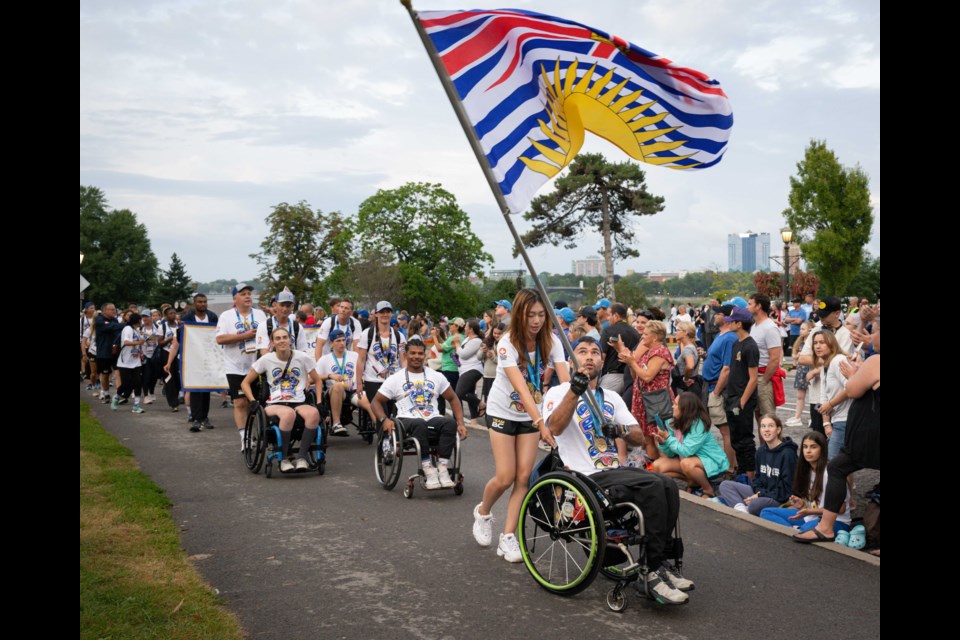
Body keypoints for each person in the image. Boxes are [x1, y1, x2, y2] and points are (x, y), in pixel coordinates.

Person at [542, 337, 692, 605]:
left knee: (667, 485)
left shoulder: (611, 397)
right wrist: (574, 391)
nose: (589, 357)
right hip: (584, 476)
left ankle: (658, 564)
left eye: (595, 353)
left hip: (615, 470)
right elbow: (553, 429)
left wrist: (619, 430)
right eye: (582, 352)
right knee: (653, 487)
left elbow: (637, 436)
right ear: (570, 361)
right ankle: (651, 574)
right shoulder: (557, 393)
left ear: (603, 361)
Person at [473, 288, 570, 563]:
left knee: (523, 478)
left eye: (541, 314)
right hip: (504, 411)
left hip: (531, 415)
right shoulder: (507, 343)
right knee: (505, 476)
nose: (536, 321)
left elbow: (565, 384)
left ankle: (507, 537)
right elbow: (521, 388)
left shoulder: (552, 341)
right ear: (519, 315)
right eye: (531, 315)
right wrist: (541, 423)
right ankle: (483, 512)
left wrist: (568, 411)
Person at [794, 315, 879, 543]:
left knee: (837, 467)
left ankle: (828, 525)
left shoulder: (875, 361)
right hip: (859, 428)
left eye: (875, 332)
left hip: (868, 432)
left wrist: (855, 374)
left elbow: (852, 389)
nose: (871, 337)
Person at [372, 338, 468, 489]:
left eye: (420, 353)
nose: (416, 356)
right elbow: (376, 402)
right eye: (413, 353)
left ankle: (442, 468)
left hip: (432, 417)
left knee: (449, 422)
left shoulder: (436, 376)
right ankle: (428, 469)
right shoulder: (395, 379)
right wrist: (384, 419)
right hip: (407, 419)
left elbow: (453, 398)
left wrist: (461, 423)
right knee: (419, 424)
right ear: (406, 354)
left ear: (425, 355)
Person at [240, 327, 322, 472]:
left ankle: (301, 458)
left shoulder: (302, 357)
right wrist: (252, 401)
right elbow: (244, 383)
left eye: (285, 337)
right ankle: (283, 459)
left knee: (314, 413)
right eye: (278, 338)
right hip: (275, 402)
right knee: (288, 413)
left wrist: (320, 402)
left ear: (290, 339)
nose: (282, 341)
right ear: (272, 343)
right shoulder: (266, 359)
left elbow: (318, 380)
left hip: (298, 400)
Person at [760, 431, 851, 534]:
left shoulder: (828, 473)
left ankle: (798, 531)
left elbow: (840, 509)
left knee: (805, 529)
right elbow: (814, 503)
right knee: (766, 512)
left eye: (813, 447)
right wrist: (802, 504)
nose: (808, 451)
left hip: (836, 521)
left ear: (822, 449)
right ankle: (793, 531)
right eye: (805, 447)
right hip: (811, 517)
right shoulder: (806, 471)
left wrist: (810, 511)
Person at [216, 283, 268, 449]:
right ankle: (243, 438)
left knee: (258, 403)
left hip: (257, 366)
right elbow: (220, 339)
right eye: (243, 294)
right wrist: (245, 335)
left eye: (249, 294)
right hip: (235, 367)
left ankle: (257, 432)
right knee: (240, 403)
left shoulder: (260, 315)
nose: (247, 296)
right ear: (234, 298)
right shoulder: (226, 316)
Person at [651, 392, 729, 497]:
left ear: (685, 409)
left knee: (686, 463)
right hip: (688, 460)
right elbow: (670, 454)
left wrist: (668, 438)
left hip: (711, 461)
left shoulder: (698, 424)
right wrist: (663, 443)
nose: (672, 406)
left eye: (676, 404)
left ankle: (708, 490)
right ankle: (694, 482)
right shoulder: (672, 422)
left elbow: (686, 451)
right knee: (657, 466)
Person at [716, 414, 797, 515]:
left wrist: (760, 495)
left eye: (770, 426)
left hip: (778, 497)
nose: (766, 430)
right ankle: (742, 510)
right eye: (763, 426)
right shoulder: (761, 451)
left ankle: (740, 505)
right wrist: (758, 492)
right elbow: (757, 478)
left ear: (778, 430)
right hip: (761, 493)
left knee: (754, 505)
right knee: (725, 485)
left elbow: (786, 489)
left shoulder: (787, 453)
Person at [618, 320, 674, 464]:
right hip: (646, 399)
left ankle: (662, 466)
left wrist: (632, 362)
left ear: (655, 337)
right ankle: (653, 467)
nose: (642, 337)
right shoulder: (650, 351)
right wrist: (631, 362)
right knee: (647, 436)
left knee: (657, 435)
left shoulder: (659, 352)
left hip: (656, 401)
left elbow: (647, 376)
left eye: (646, 334)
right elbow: (636, 375)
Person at [796, 297, 852, 435]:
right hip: (817, 394)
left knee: (837, 439)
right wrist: (827, 359)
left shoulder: (845, 334)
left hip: (837, 398)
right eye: (820, 315)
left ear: (837, 313)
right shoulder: (816, 330)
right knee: (818, 436)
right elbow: (802, 358)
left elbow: (842, 361)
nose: (822, 319)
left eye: (825, 316)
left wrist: (816, 367)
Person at [317, 329, 377, 436]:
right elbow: (313, 378)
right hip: (335, 392)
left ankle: (379, 427)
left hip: (353, 391)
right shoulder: (324, 359)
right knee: (338, 386)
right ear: (331, 343)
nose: (341, 343)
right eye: (338, 341)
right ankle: (336, 423)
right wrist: (330, 376)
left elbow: (364, 371)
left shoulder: (354, 355)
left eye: (343, 340)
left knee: (368, 403)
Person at [722, 307, 759, 477]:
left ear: (739, 323)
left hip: (742, 399)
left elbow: (753, 378)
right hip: (732, 397)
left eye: (732, 321)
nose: (728, 323)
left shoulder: (750, 346)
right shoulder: (736, 343)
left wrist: (743, 401)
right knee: (736, 438)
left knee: (745, 439)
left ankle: (750, 474)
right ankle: (741, 471)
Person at [701, 304, 738, 476]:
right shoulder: (719, 335)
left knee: (725, 430)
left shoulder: (729, 337)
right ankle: (731, 464)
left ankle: (730, 467)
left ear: (725, 317)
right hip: (709, 384)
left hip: (717, 387)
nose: (714, 317)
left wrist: (716, 392)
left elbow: (727, 368)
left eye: (717, 314)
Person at [181, 293, 220, 429]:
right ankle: (196, 418)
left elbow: (218, 335)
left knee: (206, 389)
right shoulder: (187, 317)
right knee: (195, 388)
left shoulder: (213, 317)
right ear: (194, 303)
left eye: (205, 301)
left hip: (208, 357)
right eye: (200, 302)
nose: (203, 304)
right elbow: (180, 337)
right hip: (193, 358)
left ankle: (204, 416)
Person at [811, 330, 851, 460]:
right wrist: (826, 424)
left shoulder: (838, 360)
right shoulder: (825, 365)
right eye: (815, 343)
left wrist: (831, 404)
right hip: (836, 420)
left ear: (831, 343)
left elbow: (851, 387)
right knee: (842, 464)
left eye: (822, 342)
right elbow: (824, 397)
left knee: (833, 463)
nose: (817, 346)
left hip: (846, 419)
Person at [747, 293, 783, 423]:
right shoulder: (754, 326)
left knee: (768, 419)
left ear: (758, 306)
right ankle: (764, 444)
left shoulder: (769, 328)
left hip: (764, 377)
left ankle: (776, 444)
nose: (747, 307)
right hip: (755, 375)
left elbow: (774, 358)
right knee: (758, 416)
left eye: (750, 304)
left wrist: (764, 380)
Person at [598, 302, 641, 394]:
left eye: (609, 315)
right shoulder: (635, 333)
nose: (608, 318)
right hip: (630, 378)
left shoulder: (608, 331)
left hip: (611, 378)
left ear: (616, 315)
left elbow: (601, 356)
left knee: (603, 406)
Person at [112, 312, 147, 414]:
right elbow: (126, 342)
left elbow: (137, 344)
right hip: (125, 362)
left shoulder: (136, 330)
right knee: (126, 384)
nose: (142, 322)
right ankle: (117, 397)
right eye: (141, 320)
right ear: (138, 320)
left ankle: (136, 405)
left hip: (136, 361)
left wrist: (140, 350)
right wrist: (139, 342)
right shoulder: (127, 329)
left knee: (137, 383)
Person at [256, 287, 307, 355]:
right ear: (275, 305)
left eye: (288, 306)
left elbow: (302, 352)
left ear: (292, 307)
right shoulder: (264, 326)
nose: (285, 309)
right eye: (282, 305)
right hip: (272, 364)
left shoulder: (297, 327)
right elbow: (264, 353)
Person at [785, 320, 815, 428]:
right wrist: (796, 357)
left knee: (813, 396)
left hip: (810, 370)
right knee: (800, 396)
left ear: (810, 330)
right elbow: (794, 356)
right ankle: (797, 417)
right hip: (801, 370)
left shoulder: (813, 342)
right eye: (800, 329)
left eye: (803, 329)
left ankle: (813, 418)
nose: (800, 331)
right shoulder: (800, 341)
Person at [454, 318, 485, 422]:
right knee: (469, 392)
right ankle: (474, 419)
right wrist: (456, 360)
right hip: (464, 370)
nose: (465, 328)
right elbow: (458, 356)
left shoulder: (477, 341)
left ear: (471, 329)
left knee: (459, 393)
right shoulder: (467, 339)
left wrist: (457, 344)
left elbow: (464, 354)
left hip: (473, 369)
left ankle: (481, 404)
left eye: (466, 326)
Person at [432, 318, 463, 416]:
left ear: (457, 326)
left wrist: (434, 337)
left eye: (451, 324)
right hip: (455, 367)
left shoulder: (453, 338)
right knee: (455, 394)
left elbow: (440, 348)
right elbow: (446, 347)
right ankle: (457, 416)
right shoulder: (461, 336)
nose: (449, 326)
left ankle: (443, 414)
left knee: (443, 393)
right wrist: (438, 336)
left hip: (449, 368)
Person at [94, 303, 123, 404]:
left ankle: (119, 394)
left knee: (118, 372)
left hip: (115, 351)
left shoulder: (114, 320)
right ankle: (105, 392)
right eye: (112, 310)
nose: (114, 311)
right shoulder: (99, 321)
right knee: (105, 374)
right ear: (104, 311)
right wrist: (121, 325)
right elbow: (111, 327)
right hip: (103, 352)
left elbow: (117, 329)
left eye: (114, 309)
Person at [478, 322, 506, 419]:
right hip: (487, 376)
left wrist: (493, 357)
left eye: (499, 333)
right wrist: (483, 350)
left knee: (497, 401)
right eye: (495, 333)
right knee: (487, 399)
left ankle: (496, 418)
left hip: (498, 377)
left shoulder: (505, 344)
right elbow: (478, 357)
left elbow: (504, 362)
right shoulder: (489, 342)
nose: (496, 335)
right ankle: (488, 419)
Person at [157, 306, 182, 412]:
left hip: (179, 354)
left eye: (174, 313)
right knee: (170, 378)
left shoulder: (180, 325)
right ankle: (173, 403)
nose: (173, 315)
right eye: (170, 313)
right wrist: (170, 338)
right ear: (166, 316)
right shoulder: (162, 326)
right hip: (167, 354)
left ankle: (177, 395)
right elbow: (160, 343)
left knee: (177, 378)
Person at [672, 322, 701, 397]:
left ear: (685, 333)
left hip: (685, 388)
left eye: (678, 330)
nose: (676, 332)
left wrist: (685, 379)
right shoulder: (692, 346)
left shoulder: (687, 349)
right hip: (691, 386)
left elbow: (690, 366)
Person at [139, 310, 162, 406]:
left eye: (146, 317)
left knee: (154, 376)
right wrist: (140, 352)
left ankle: (151, 391)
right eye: (143, 317)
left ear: (151, 317)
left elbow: (160, 339)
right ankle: (146, 396)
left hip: (155, 355)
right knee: (146, 376)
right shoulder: (140, 329)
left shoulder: (157, 327)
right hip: (144, 355)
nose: (145, 319)